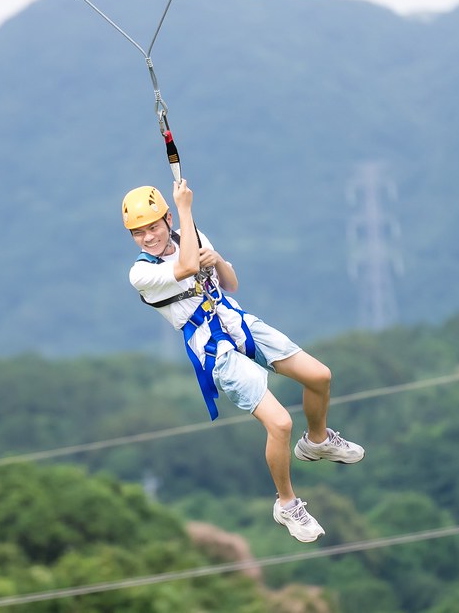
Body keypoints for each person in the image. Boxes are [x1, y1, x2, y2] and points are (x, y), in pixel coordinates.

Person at [122, 179, 365, 542]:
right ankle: (287, 504)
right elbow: (187, 267)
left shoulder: (191, 235)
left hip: (236, 320)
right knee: (279, 423)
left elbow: (230, 283)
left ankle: (316, 441)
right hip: (213, 348)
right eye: (138, 233)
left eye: (153, 227)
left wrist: (216, 258)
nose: (148, 237)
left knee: (319, 376)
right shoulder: (141, 273)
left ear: (166, 220)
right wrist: (186, 210)